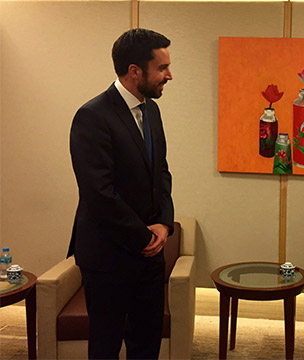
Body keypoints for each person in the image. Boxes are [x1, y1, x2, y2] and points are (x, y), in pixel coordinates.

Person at [68, 28, 174, 359]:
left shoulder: (151, 110)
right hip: (108, 256)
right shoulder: (92, 116)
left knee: (146, 343)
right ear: (134, 71)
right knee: (106, 345)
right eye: (162, 68)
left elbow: (162, 174)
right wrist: (142, 236)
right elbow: (99, 193)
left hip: (149, 254)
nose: (170, 75)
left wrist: (164, 225)